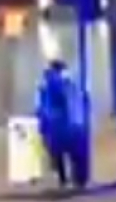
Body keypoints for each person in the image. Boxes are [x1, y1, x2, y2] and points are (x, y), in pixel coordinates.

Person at [35, 61, 85, 189]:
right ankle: (71, 179)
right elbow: (66, 101)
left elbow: (41, 104)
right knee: (70, 150)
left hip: (54, 123)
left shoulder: (46, 84)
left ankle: (63, 179)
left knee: (58, 152)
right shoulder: (60, 84)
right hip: (62, 122)